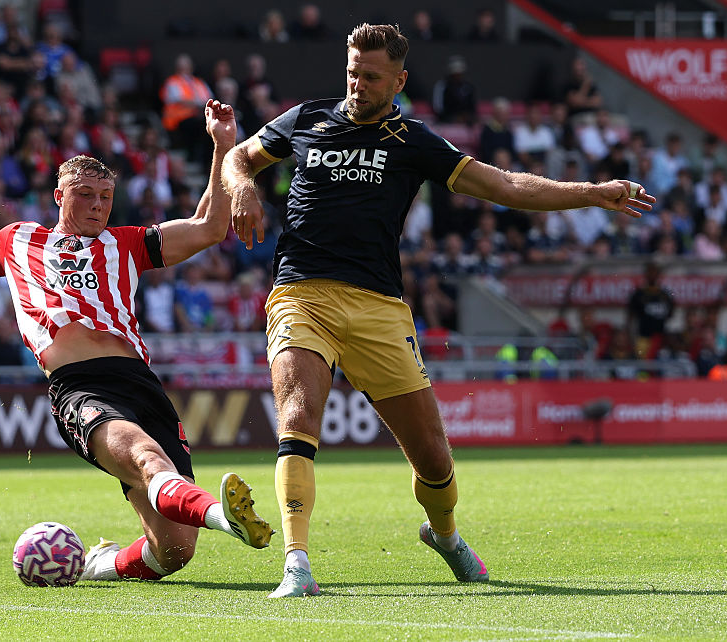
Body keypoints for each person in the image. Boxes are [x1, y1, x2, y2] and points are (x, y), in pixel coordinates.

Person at [222, 23, 655, 598]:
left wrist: (593, 192)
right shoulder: (305, 118)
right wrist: (243, 187)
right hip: (301, 293)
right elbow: (238, 159)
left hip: (379, 307)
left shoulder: (413, 140)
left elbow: (506, 186)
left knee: (433, 459)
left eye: (371, 76)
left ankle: (445, 535)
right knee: (297, 416)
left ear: (399, 81)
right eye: (352, 70)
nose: (357, 83)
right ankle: (297, 564)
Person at [0, 100, 274, 583]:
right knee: (149, 459)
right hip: (80, 387)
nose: (97, 205)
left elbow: (211, 228)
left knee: (173, 550)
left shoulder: (127, 243)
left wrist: (220, 146)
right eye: (85, 194)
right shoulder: (19, 240)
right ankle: (226, 518)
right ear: (59, 196)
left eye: (106, 196)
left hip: (140, 381)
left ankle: (91, 567)